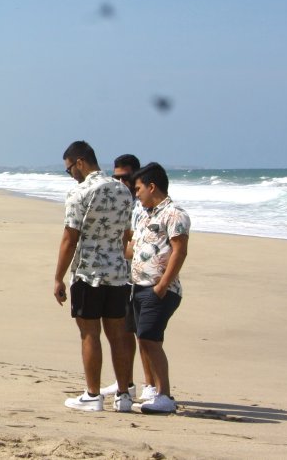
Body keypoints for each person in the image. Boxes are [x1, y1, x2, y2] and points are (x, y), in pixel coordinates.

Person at [53, 141, 136, 412]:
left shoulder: (79, 192)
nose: (71, 175)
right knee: (117, 334)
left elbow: (70, 237)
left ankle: (93, 394)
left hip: (89, 272)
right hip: (117, 272)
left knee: (89, 334)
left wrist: (58, 277)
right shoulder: (123, 191)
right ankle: (123, 394)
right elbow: (127, 234)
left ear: (79, 162)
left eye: (69, 170)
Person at [126, 162, 189, 414]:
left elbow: (180, 250)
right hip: (138, 287)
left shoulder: (174, 214)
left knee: (150, 339)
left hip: (159, 288)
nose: (136, 194)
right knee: (144, 338)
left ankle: (165, 395)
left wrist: (162, 286)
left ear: (152, 187)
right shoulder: (145, 216)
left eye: (138, 188)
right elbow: (131, 250)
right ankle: (152, 388)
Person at [98, 154, 156, 402]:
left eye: (125, 177)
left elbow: (139, 240)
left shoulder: (144, 204)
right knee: (122, 330)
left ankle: (150, 384)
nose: (121, 181)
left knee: (144, 333)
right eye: (116, 177)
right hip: (121, 274)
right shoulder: (117, 202)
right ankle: (127, 382)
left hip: (142, 275)